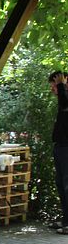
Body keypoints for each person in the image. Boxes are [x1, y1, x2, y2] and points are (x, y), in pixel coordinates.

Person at [48, 71, 68, 233]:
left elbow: (65, 105)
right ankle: (65, 220)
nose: (53, 90)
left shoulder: (65, 100)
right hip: (60, 147)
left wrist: (62, 85)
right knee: (61, 185)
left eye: (54, 86)